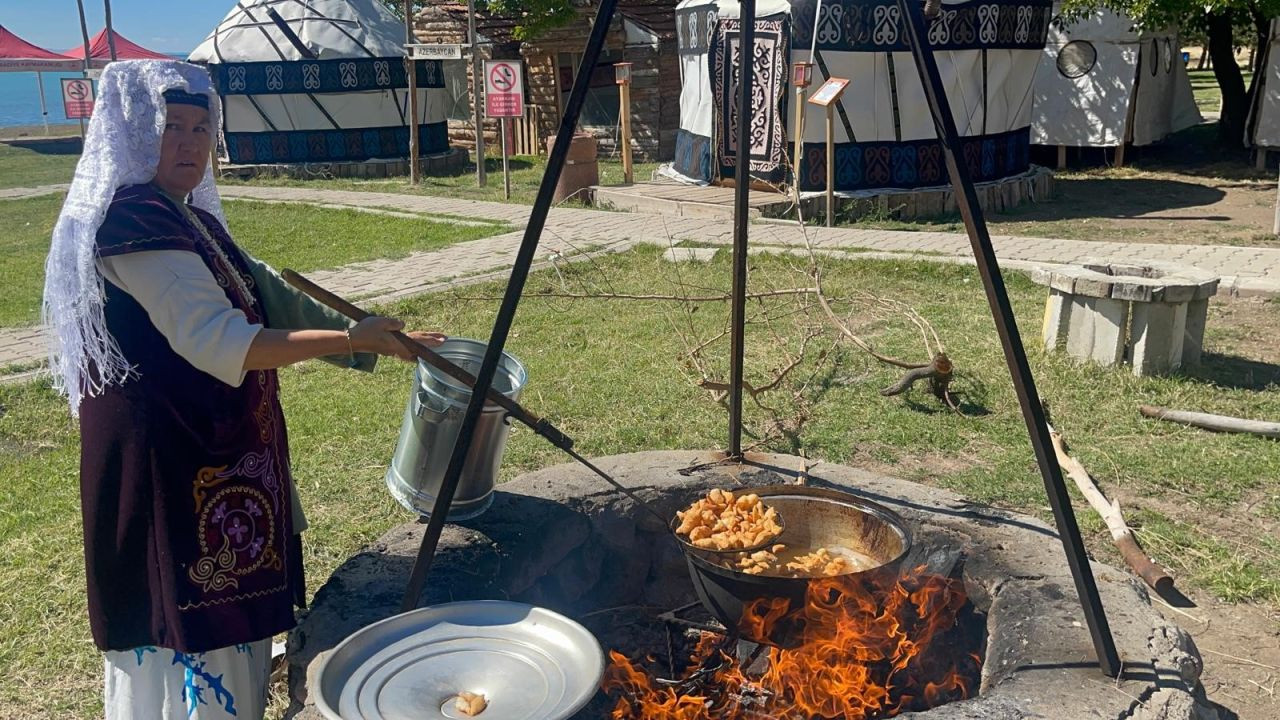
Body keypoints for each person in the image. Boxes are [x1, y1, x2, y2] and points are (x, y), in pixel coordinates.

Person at [42, 60, 444, 719]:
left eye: (203, 127)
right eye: (171, 127)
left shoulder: (183, 217)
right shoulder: (132, 226)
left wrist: (381, 338)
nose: (191, 144)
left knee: (220, 618)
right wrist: (352, 341)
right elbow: (219, 338)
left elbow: (269, 295)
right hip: (166, 468)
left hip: (209, 451)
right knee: (184, 623)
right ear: (135, 131)